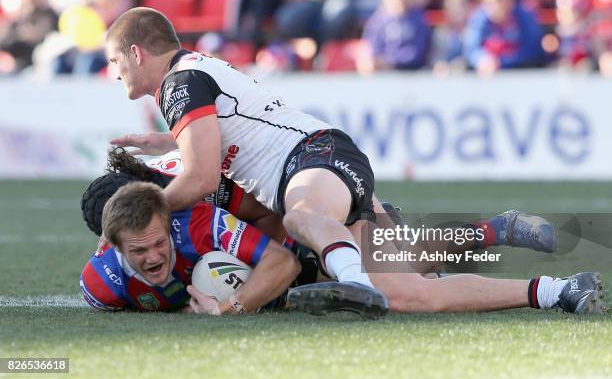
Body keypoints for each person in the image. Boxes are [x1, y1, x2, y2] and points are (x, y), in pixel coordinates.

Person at [105, 7, 601, 318]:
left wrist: (145, 216)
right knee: (411, 291)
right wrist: (165, 143)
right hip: (321, 161)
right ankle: (552, 286)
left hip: (314, 160)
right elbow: (227, 136)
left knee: (303, 219)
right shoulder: (192, 73)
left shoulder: (178, 83)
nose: (112, 73)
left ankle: (355, 286)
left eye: (113, 62)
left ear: (135, 51)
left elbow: (202, 175)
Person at [80, 162, 606, 316]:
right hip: (315, 238)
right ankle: (496, 229)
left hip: (322, 223)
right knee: (396, 276)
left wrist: (237, 304)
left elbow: (278, 224)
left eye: (154, 236)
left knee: (397, 291)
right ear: (109, 243)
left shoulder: (201, 210)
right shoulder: (106, 278)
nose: (151, 251)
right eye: (134, 247)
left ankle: (557, 290)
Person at [80, 181, 301, 314]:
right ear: (116, 247)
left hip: (287, 235)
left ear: (169, 226)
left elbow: (284, 262)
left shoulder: (202, 226)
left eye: (159, 242)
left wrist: (225, 310)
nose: (153, 257)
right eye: (139, 250)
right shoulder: (101, 284)